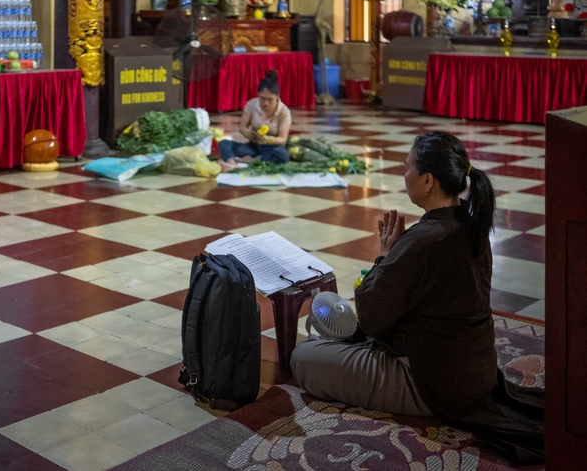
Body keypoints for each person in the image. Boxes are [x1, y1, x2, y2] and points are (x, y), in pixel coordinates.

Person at [290, 131, 544, 461]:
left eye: (408, 166)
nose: (404, 173)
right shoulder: (470, 222)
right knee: (330, 324)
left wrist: (385, 256)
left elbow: (372, 320)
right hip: (474, 372)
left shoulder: (424, 241)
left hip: (429, 383)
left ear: (427, 181)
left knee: (303, 357)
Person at [217, 70, 291, 173]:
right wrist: (248, 133)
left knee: (282, 155)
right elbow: (242, 127)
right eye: (262, 99)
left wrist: (267, 139)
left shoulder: (284, 112)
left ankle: (251, 161)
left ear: (277, 97)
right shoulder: (251, 105)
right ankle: (232, 164)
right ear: (258, 95)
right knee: (224, 143)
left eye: (270, 99)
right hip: (253, 146)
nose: (265, 103)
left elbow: (282, 139)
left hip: (272, 148)